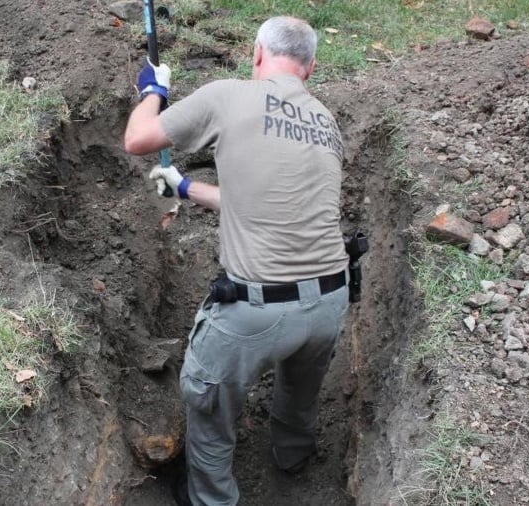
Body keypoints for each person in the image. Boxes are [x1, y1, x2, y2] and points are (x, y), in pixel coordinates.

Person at [124, 16, 350, 506]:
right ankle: (294, 458)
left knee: (207, 408)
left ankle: (212, 500)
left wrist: (153, 90)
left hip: (254, 312)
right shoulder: (326, 122)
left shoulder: (229, 95)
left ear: (256, 54)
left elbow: (138, 140)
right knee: (300, 393)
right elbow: (260, 202)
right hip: (330, 301)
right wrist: (185, 187)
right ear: (309, 69)